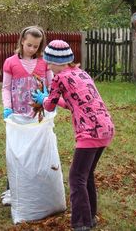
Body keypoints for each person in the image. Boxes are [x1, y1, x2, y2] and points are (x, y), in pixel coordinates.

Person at [32, 40, 115, 231]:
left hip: (89, 132)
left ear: (56, 63)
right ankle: (91, 216)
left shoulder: (58, 78)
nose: (48, 67)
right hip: (105, 127)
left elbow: (49, 106)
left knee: (76, 177)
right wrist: (49, 97)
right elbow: (74, 102)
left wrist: (43, 98)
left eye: (49, 63)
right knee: (87, 175)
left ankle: (81, 223)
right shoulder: (81, 73)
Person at [1, 25, 53, 205]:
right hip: (17, 116)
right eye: (29, 45)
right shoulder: (10, 62)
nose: (32, 49)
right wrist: (7, 108)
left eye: (36, 46)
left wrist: (47, 97)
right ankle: (11, 190)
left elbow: (52, 86)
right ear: (22, 41)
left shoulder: (44, 63)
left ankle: (35, 187)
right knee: (16, 152)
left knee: (37, 151)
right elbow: (6, 88)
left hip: (38, 115)